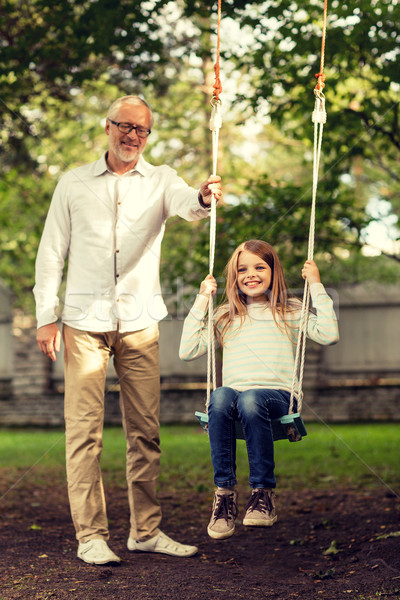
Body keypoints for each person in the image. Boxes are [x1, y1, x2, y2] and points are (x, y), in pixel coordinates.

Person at [33, 95, 222, 565]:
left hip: (139, 324)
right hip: (82, 325)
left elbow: (189, 205)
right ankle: (92, 536)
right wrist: (44, 314)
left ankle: (146, 531)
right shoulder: (73, 183)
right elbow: (52, 251)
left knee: (145, 432)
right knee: (83, 434)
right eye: (125, 126)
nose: (133, 136)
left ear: (147, 135)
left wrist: (202, 197)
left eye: (142, 129)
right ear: (108, 127)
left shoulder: (161, 180)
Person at [179, 239, 339, 540]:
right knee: (221, 396)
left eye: (259, 267)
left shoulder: (289, 310)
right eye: (242, 269)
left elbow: (329, 334)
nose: (250, 274)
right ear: (234, 277)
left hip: (278, 398)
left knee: (252, 399)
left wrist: (316, 285)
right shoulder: (226, 315)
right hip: (235, 400)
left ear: (273, 271)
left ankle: (263, 494)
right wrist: (202, 299)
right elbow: (187, 351)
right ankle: (224, 495)